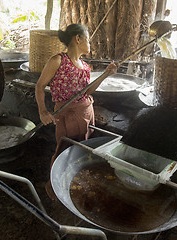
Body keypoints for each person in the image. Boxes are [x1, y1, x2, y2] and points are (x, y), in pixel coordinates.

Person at [35, 23, 118, 200]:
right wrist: (43, 111)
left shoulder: (85, 66)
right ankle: (57, 187)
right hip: (68, 115)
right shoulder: (58, 60)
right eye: (88, 39)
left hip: (86, 112)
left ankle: (76, 183)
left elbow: (86, 91)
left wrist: (106, 74)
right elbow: (40, 86)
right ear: (78, 39)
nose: (90, 43)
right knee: (65, 150)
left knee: (83, 149)